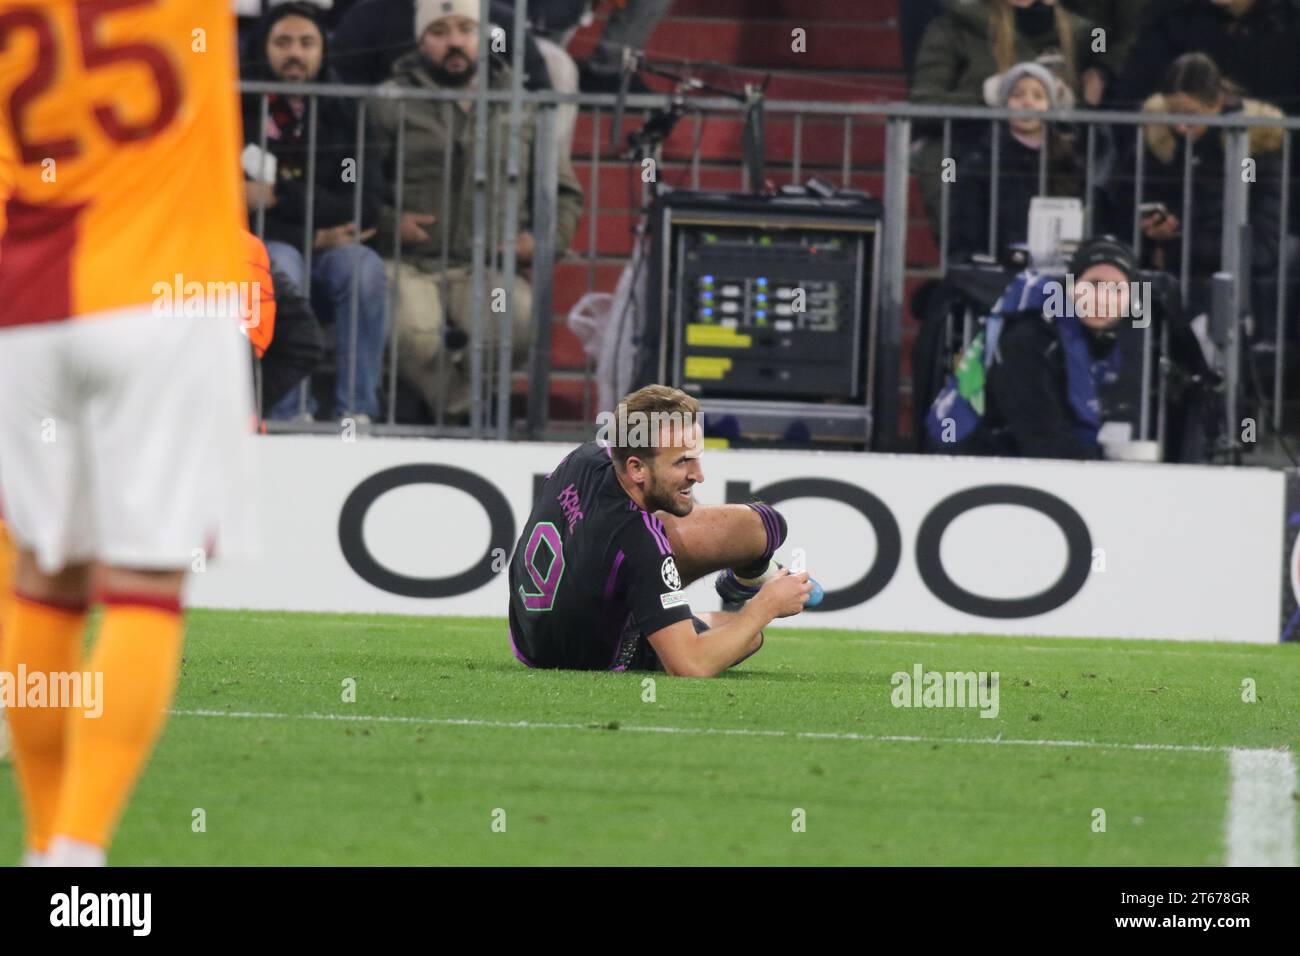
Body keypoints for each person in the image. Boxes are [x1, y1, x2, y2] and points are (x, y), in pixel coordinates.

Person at [0, 1, 255, 866]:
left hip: (26, 307)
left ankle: (39, 845)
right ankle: (73, 856)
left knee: (45, 571)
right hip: (163, 295)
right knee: (144, 582)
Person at [372, 0, 584, 421]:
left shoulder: (521, 105)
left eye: (464, 30)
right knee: (413, 334)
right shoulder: (388, 101)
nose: (454, 42)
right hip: (407, 261)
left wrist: (543, 242)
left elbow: (564, 191)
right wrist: (387, 223)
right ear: (421, 40)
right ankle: (467, 412)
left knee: (516, 320)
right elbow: (354, 180)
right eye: (440, 32)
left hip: (487, 266)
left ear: (482, 36)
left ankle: (453, 409)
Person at [507, 385, 814, 676]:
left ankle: (745, 578)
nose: (699, 475)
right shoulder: (641, 543)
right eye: (683, 462)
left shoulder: (583, 458)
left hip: (530, 633)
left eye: (697, 457)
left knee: (762, 527)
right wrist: (767, 604)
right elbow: (690, 666)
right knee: (749, 636)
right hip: (597, 653)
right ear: (637, 468)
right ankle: (747, 585)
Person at [243, 1, 389, 423]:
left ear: (323, 48)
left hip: (330, 252)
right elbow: (231, 206)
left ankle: (355, 412)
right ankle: (287, 413)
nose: (295, 52)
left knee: (362, 268)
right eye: (283, 41)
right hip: (267, 248)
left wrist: (276, 196)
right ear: (263, 47)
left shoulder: (346, 110)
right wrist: (309, 234)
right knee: (281, 262)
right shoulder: (238, 106)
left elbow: (362, 203)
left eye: (307, 42)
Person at [927, 236, 1140, 459]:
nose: (1103, 298)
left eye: (1117, 289)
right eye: (1094, 284)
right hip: (967, 460)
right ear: (1072, 286)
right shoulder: (1030, 337)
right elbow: (1042, 438)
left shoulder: (1099, 342)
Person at [1105, 52, 1284, 318]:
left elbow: (1260, 244)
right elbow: (1119, 209)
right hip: (1158, 279)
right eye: (1172, 114)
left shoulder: (1252, 154)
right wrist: (1148, 234)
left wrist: (1176, 249)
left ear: (1217, 105)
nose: (1179, 126)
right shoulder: (1152, 144)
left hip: (1222, 285)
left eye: (1191, 115)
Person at [910, 0, 1103, 239]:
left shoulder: (1086, 33)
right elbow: (924, 104)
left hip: (1048, 158)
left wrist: (1100, 73)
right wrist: (989, 100)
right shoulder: (953, 26)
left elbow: (1102, 54)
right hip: (960, 154)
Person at [951, 61, 1084, 259]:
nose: (1027, 103)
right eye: (1017, 95)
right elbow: (966, 224)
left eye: (1038, 96)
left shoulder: (1069, 159)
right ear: (1005, 103)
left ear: (1050, 106)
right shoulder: (981, 159)